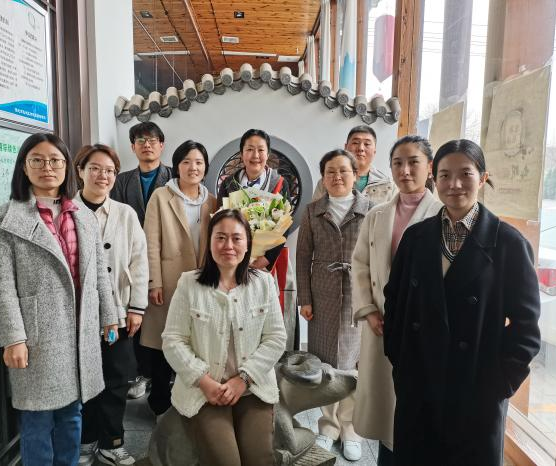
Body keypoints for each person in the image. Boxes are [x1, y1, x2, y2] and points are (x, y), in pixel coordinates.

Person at [383, 139, 541, 465]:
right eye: (445, 175)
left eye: (465, 174)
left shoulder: (508, 243)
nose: (454, 184)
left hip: (476, 391)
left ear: (482, 178)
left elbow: (526, 327)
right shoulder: (416, 238)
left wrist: (499, 384)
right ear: (434, 178)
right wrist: (400, 361)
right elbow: (395, 301)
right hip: (419, 383)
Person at [0, 133, 118, 466]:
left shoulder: (82, 214)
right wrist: (13, 338)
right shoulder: (7, 217)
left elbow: (99, 273)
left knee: (72, 414)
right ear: (24, 167)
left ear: (67, 167)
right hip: (37, 335)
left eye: (56, 160)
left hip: (79, 332)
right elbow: (2, 285)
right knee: (37, 418)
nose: (48, 167)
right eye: (38, 160)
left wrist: (109, 315)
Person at [162, 209, 287, 466]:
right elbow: (173, 340)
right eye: (220, 237)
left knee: (259, 459)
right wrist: (203, 380)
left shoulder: (263, 283)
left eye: (236, 238)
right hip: (205, 390)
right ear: (209, 243)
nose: (228, 245)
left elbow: (276, 338)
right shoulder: (189, 284)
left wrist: (244, 379)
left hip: (252, 388)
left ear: (248, 244)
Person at [351, 135, 442, 465]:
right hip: (382, 324)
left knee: (416, 411)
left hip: (423, 328)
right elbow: (360, 264)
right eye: (397, 163)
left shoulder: (442, 214)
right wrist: (368, 310)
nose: (405, 171)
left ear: (429, 167)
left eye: (413, 162)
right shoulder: (377, 215)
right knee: (386, 408)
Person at [73, 144, 149, 466]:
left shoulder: (125, 214)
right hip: (81, 316)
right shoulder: (68, 212)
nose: (102, 176)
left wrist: (137, 308)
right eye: (95, 168)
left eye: (109, 171)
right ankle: (86, 440)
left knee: (117, 380)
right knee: (85, 380)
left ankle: (112, 442)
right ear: (80, 171)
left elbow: (140, 261)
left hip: (119, 311)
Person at [295, 149, 371, 461]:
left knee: (354, 364)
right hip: (322, 295)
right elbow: (303, 257)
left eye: (343, 171)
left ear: (355, 175)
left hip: (358, 295)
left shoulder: (371, 210)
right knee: (326, 363)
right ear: (323, 178)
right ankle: (328, 427)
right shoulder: (313, 211)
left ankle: (351, 428)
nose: (337, 177)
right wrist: (305, 298)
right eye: (330, 172)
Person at [141, 140, 216, 416]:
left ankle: (190, 403)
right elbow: (151, 242)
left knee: (196, 344)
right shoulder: (161, 196)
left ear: (205, 167)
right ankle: (160, 405)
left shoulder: (212, 201)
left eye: (198, 162)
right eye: (186, 162)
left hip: (202, 282)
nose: (193, 167)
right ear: (177, 166)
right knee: (165, 344)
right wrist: (154, 282)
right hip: (169, 281)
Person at [110, 121, 171, 399]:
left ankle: (167, 375)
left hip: (165, 258)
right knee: (135, 317)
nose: (147, 145)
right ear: (133, 147)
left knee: (166, 317)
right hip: (131, 258)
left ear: (162, 145)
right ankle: (140, 374)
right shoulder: (122, 180)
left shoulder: (173, 177)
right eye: (140, 141)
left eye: (152, 140)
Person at [217, 128, 290, 270]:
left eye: (261, 150)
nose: (255, 155)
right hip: (233, 257)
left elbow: (285, 226)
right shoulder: (228, 184)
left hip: (264, 262)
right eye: (249, 149)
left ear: (267, 154)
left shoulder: (280, 183)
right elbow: (220, 222)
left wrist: (268, 258)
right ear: (241, 154)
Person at [312, 125, 394, 206]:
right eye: (355, 143)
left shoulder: (387, 185)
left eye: (367, 144)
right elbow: (314, 212)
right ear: (345, 147)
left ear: (374, 151)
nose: (361, 148)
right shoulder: (327, 181)